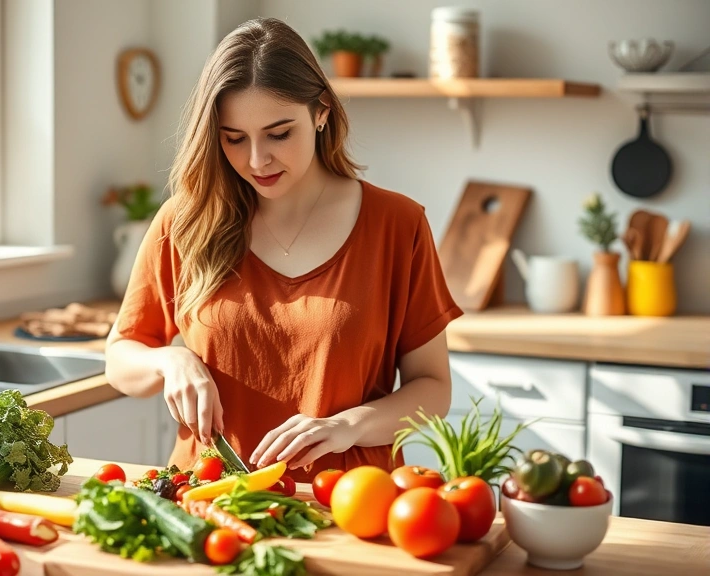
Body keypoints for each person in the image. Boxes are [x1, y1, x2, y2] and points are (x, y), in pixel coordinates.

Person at [104, 17, 461, 483]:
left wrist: (347, 426)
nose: (257, 160)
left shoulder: (398, 225)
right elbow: (119, 358)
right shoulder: (184, 222)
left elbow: (432, 388)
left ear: (321, 112)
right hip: (208, 502)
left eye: (278, 134)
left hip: (349, 504)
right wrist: (168, 360)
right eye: (234, 138)